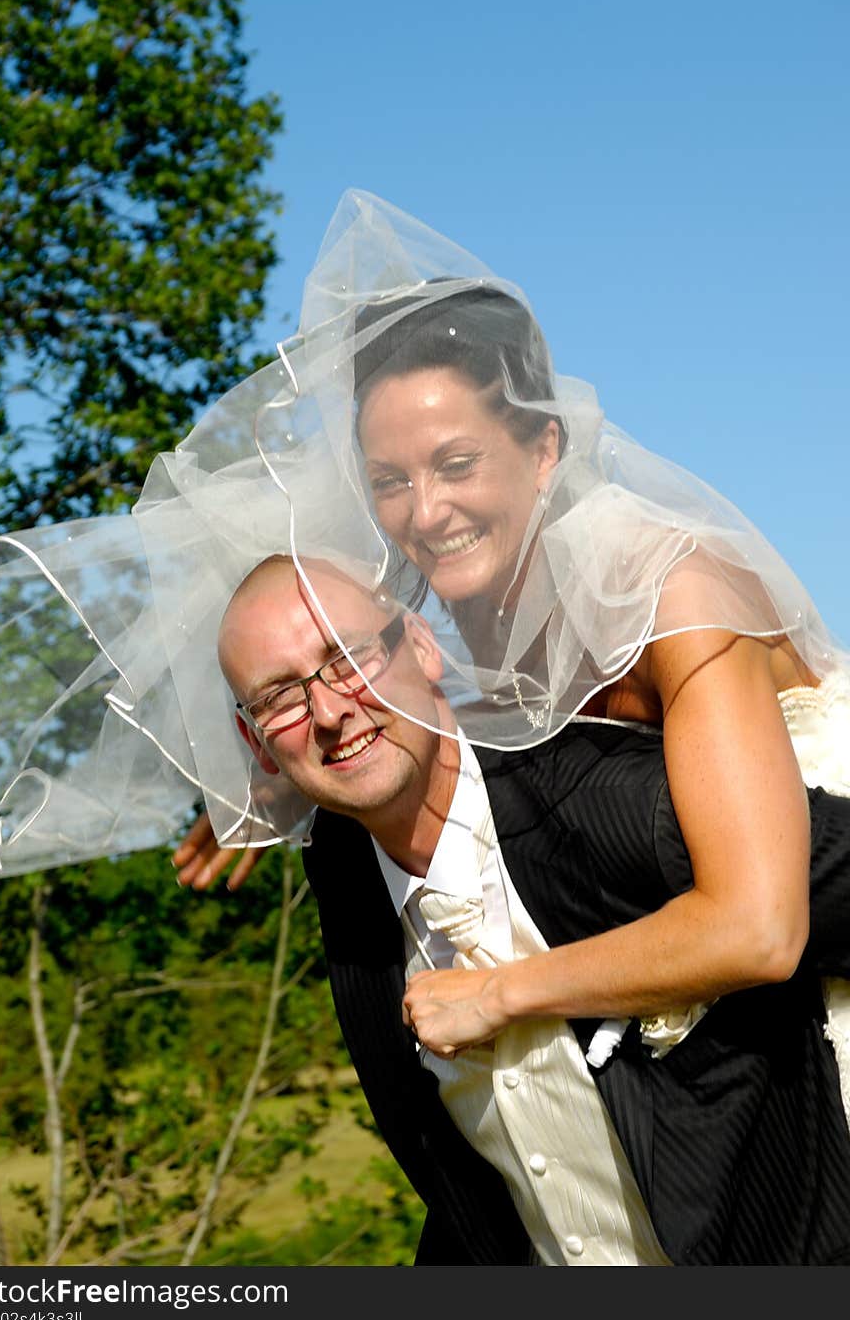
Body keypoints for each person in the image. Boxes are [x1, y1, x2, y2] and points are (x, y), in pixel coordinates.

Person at [173, 191, 848, 1086]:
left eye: (457, 464)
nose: (425, 511)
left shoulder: (677, 592)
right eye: (389, 480)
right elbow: (443, 722)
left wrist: (502, 992)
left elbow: (759, 927)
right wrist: (286, 777)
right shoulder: (471, 596)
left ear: (542, 450)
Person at [216, 551, 850, 1265]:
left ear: (422, 645)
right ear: (256, 742)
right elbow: (470, 1193)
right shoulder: (347, 883)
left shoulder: (607, 804)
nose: (329, 710)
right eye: (280, 698)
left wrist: (505, 991)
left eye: (347, 657)